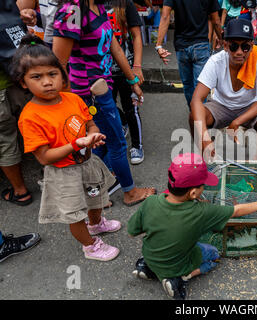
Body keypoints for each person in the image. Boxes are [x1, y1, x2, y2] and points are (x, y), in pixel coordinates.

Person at [14, 35, 122, 261]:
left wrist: (93, 135)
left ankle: (96, 224)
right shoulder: (30, 117)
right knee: (75, 214)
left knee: (96, 198)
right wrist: (75, 144)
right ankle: (90, 246)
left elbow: (89, 124)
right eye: (37, 77)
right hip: (63, 173)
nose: (47, 82)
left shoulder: (73, 99)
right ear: (24, 82)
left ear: (62, 75)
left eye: (52, 74)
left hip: (87, 163)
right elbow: (44, 157)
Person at [127, 153, 257, 300]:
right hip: (177, 265)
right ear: (193, 193)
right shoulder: (201, 212)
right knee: (214, 255)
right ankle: (180, 278)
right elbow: (236, 210)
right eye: (203, 185)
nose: (204, 187)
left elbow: (132, 232)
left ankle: (147, 267)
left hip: (149, 255)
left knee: (164, 242)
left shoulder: (150, 201)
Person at [52, 0, 156, 206]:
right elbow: (57, 65)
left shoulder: (96, 6)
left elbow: (115, 48)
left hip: (102, 90)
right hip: (88, 95)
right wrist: (71, 104)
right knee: (116, 143)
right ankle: (130, 192)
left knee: (99, 145)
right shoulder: (72, 10)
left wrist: (132, 80)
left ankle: (97, 192)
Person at [190, 18, 257, 159]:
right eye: (234, 46)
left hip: (249, 107)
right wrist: (204, 137)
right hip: (221, 106)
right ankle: (205, 155)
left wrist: (237, 121)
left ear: (251, 46)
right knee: (194, 116)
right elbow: (196, 99)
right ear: (225, 46)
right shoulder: (216, 61)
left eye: (245, 47)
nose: (239, 52)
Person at [155, 0, 223, 108]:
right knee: (200, 86)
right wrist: (221, 38)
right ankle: (198, 119)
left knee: (188, 85)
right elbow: (215, 20)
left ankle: (194, 115)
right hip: (201, 45)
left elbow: (165, 16)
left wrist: (159, 45)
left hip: (182, 46)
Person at [0, 0, 34, 206]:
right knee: (36, 127)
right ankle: (53, 178)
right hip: (20, 77)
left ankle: (21, 191)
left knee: (5, 139)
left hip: (10, 84)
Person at [106, 0, 146, 165]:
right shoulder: (91, 5)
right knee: (106, 106)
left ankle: (137, 145)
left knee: (131, 108)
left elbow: (136, 36)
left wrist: (137, 66)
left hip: (126, 68)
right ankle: (122, 124)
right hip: (103, 70)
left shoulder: (125, 4)